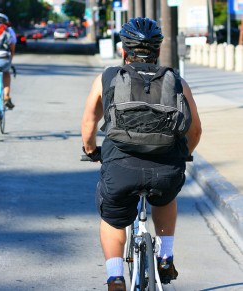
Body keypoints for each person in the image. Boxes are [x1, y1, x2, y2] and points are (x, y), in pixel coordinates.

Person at [81, 17, 202, 291]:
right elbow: (195, 132)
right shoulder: (176, 81)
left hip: (120, 168)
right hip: (166, 169)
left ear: (124, 50)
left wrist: (90, 151)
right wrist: (183, 155)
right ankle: (166, 256)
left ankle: (115, 277)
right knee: (166, 197)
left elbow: (89, 123)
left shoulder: (108, 78)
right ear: (158, 51)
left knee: (112, 217)